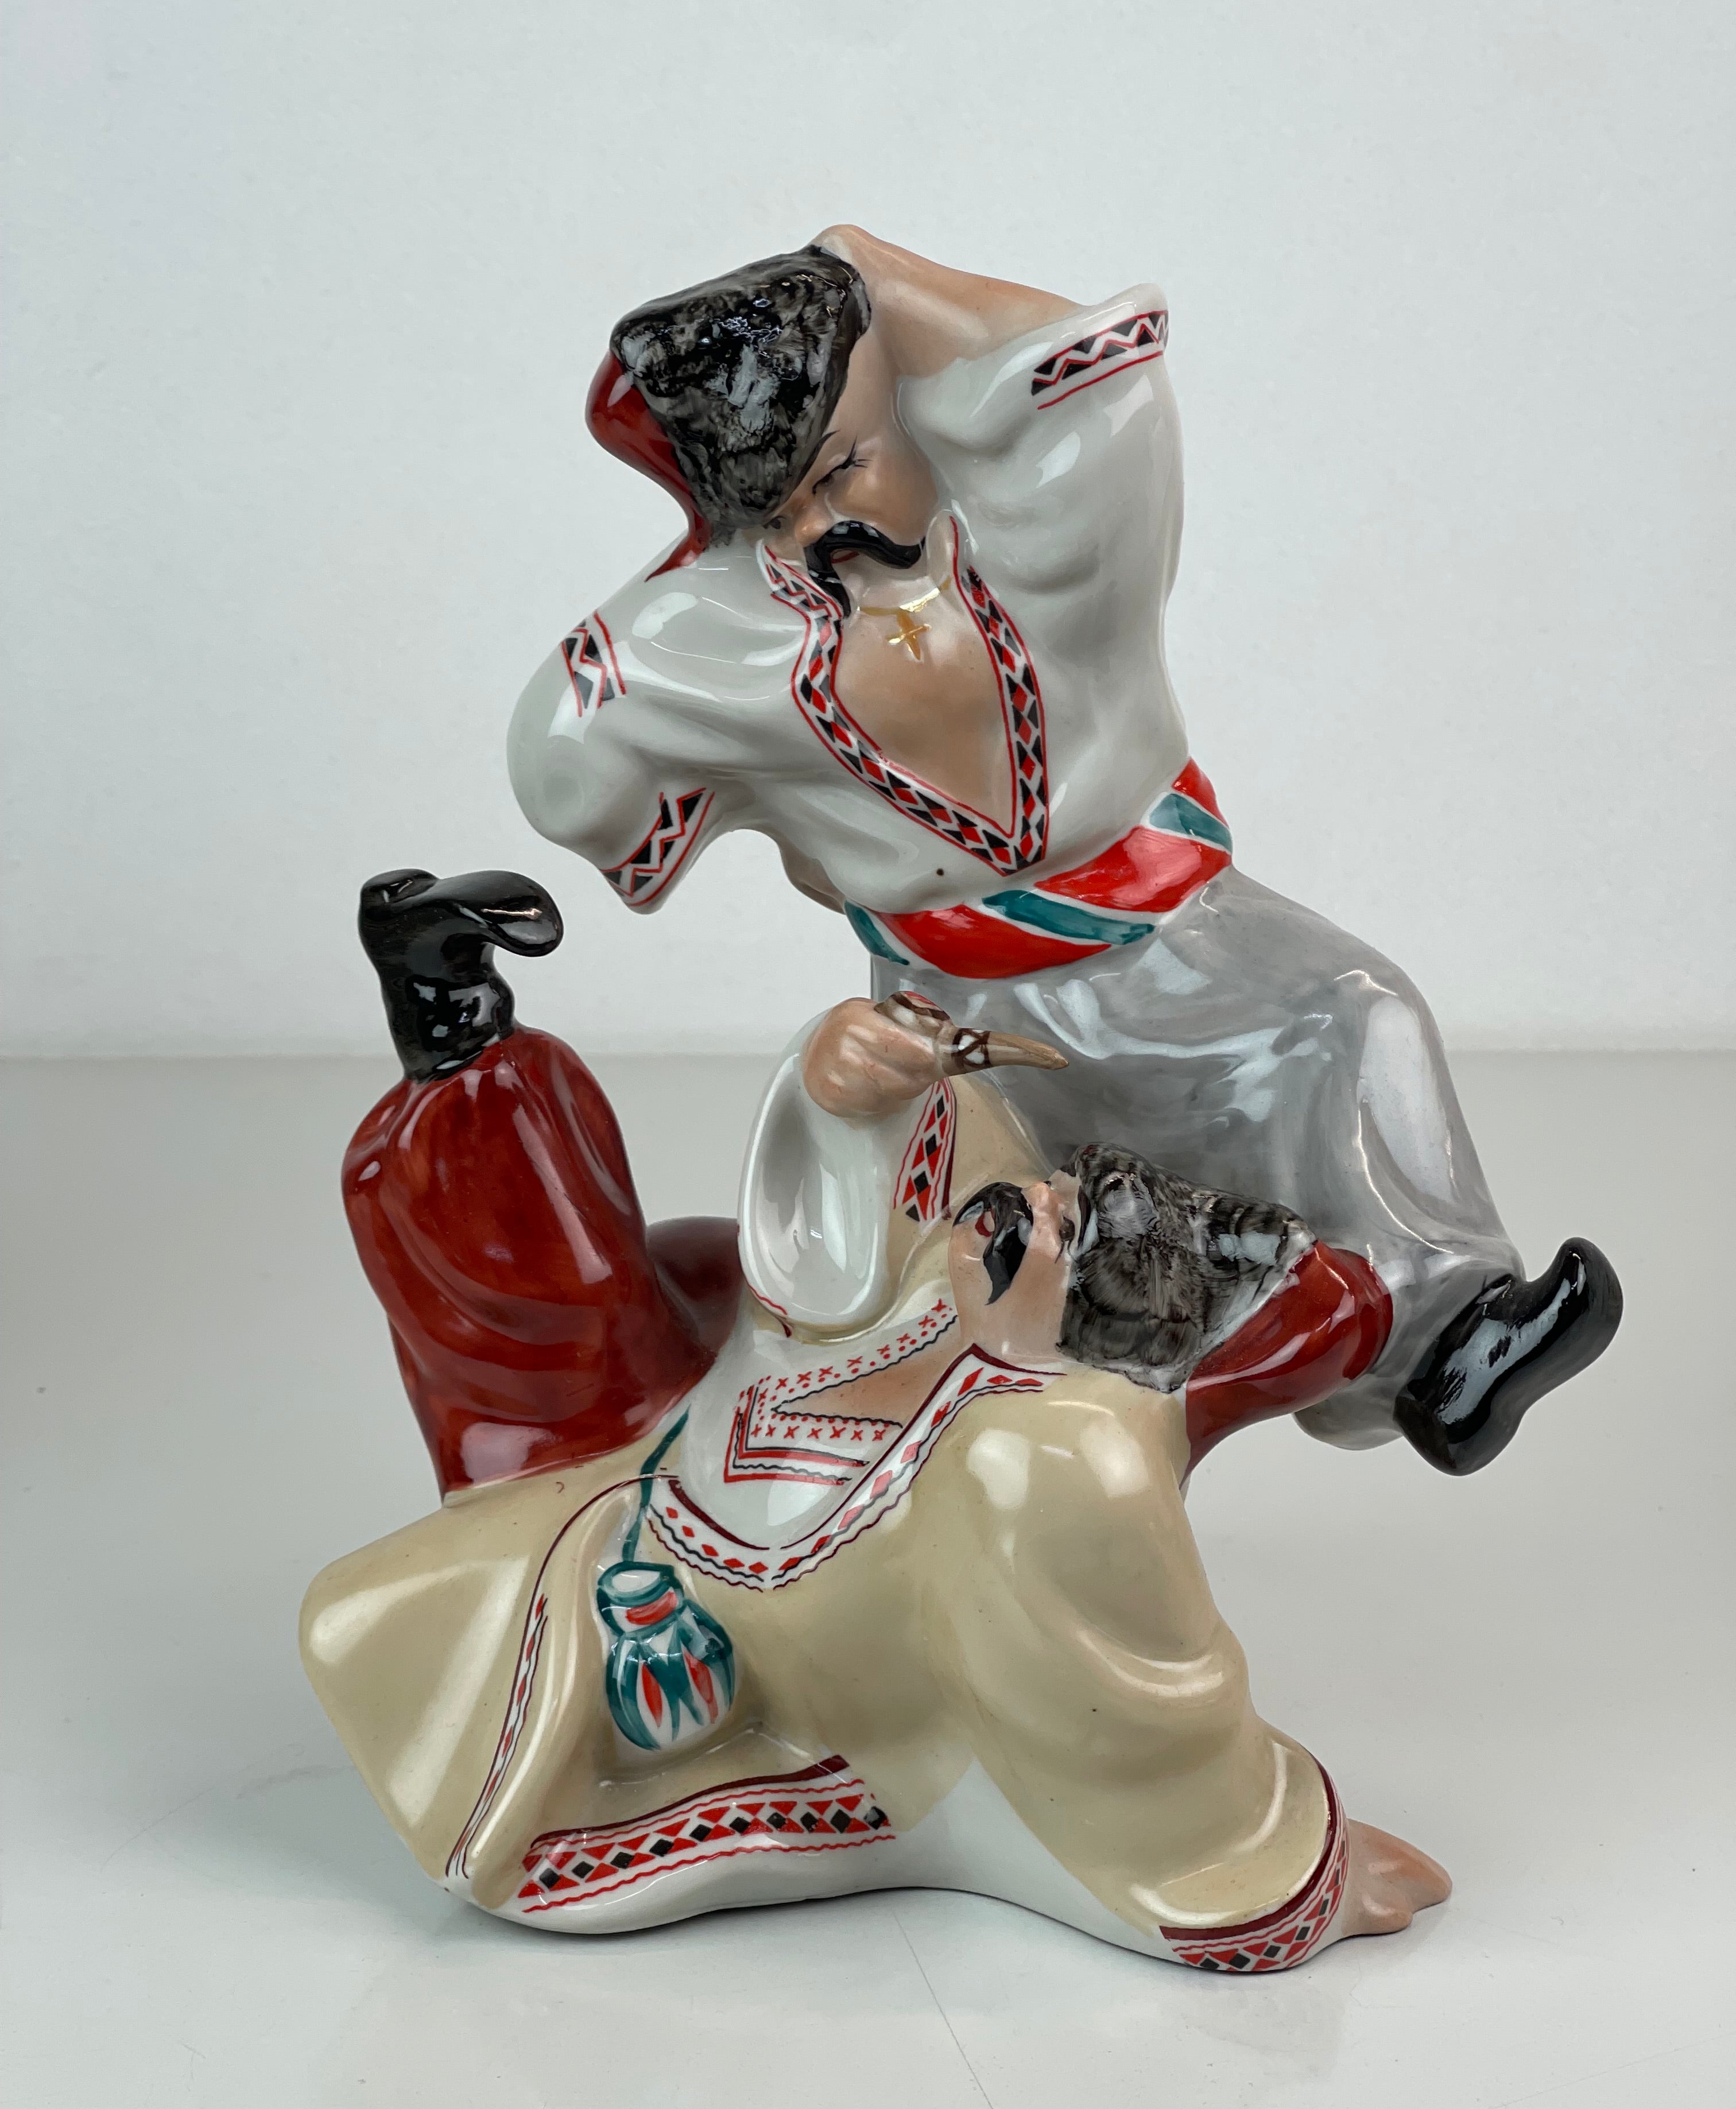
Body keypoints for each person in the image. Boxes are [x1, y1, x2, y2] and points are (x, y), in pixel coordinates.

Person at [508, 228, 1619, 1470]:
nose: (825, 525)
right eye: (780, 512)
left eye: (847, 468)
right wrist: (696, 556)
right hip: (962, 1008)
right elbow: (568, 767)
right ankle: (1043, 1460)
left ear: (901, 409)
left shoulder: (1045, 548)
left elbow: (1104, 369)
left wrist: (880, 279)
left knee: (1357, 1016)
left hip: (1186, 937)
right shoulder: (742, 648)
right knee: (1010, 1243)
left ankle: (1455, 1344)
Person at [304, 998, 1446, 1963]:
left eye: (1046, 1236)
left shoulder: (1042, 1446)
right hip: (688, 1445)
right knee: (523, 1229)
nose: (1016, 1214)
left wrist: (1270, 1865)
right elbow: (836, 1256)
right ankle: (463, 1051)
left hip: (701, 1601)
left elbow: (1131, 1719)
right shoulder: (958, 1303)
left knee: (391, 1623)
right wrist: (843, 1091)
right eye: (1041, 1198)